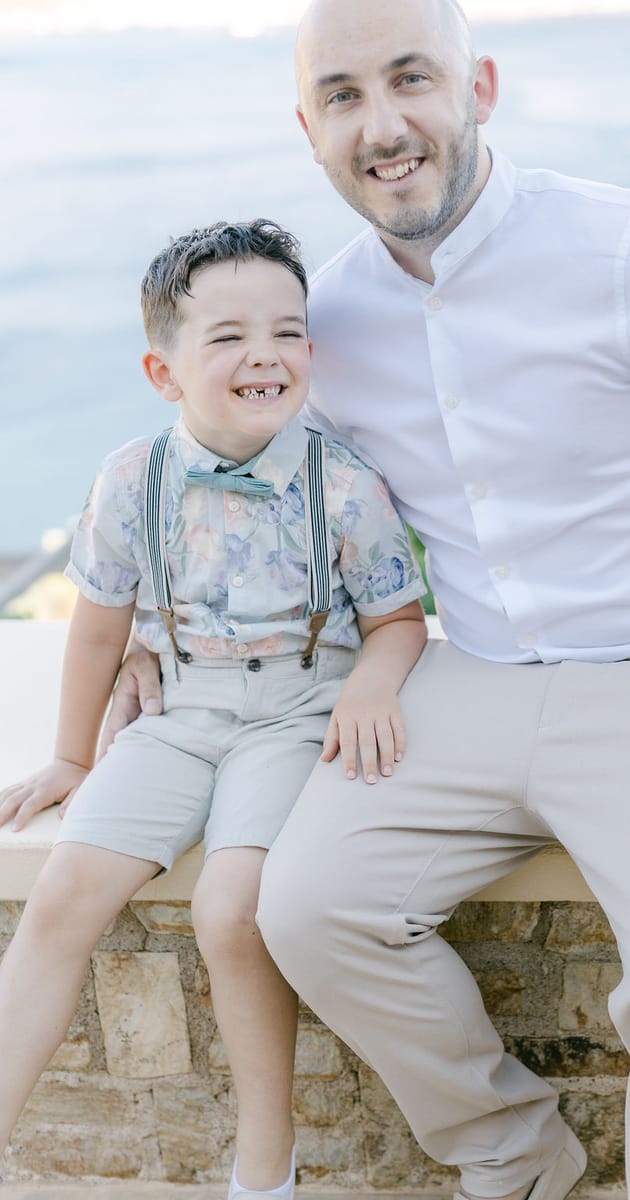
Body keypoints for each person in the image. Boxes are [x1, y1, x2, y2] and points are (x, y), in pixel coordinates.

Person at [73, 1, 630, 1198]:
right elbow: (257, 486)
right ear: (308, 129)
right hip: (462, 681)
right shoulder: (332, 321)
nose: (384, 124)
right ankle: (516, 1157)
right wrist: (147, 635)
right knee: (304, 909)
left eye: (412, 80)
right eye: (345, 97)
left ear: (480, 88)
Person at [0, 218, 427, 1199]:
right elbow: (99, 630)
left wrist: (367, 679)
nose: (263, 355)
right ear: (165, 371)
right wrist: (72, 759)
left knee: (231, 911)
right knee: (61, 895)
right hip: (178, 710)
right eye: (227, 336)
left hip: (295, 713)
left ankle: (265, 1168)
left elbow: (398, 619)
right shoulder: (127, 480)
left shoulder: (346, 486)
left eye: (286, 331)